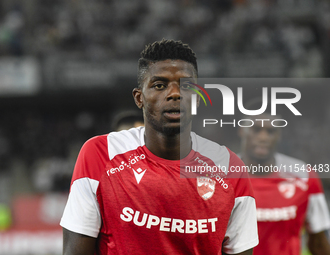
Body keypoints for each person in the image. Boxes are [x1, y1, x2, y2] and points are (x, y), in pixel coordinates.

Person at [60, 39, 258, 255]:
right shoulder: (100, 154)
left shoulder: (230, 168)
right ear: (139, 98)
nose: (175, 94)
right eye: (159, 85)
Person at [238, 100, 330, 255]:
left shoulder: (304, 177)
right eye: (256, 129)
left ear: (279, 134)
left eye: (270, 131)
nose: (263, 137)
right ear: (242, 130)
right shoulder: (221, 177)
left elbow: (318, 240)